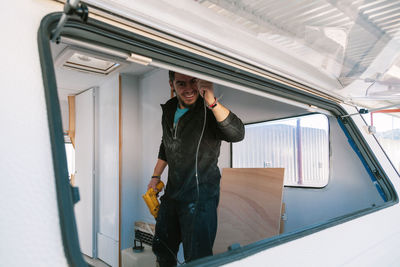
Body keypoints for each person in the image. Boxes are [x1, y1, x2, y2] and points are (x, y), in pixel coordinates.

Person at [148, 71, 244, 266]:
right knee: (162, 249)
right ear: (171, 84)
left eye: (193, 82)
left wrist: (212, 102)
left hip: (200, 198)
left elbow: (237, 134)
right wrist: (155, 176)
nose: (189, 89)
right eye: (181, 84)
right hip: (173, 193)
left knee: (198, 258)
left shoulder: (209, 110)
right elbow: (166, 145)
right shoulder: (169, 109)